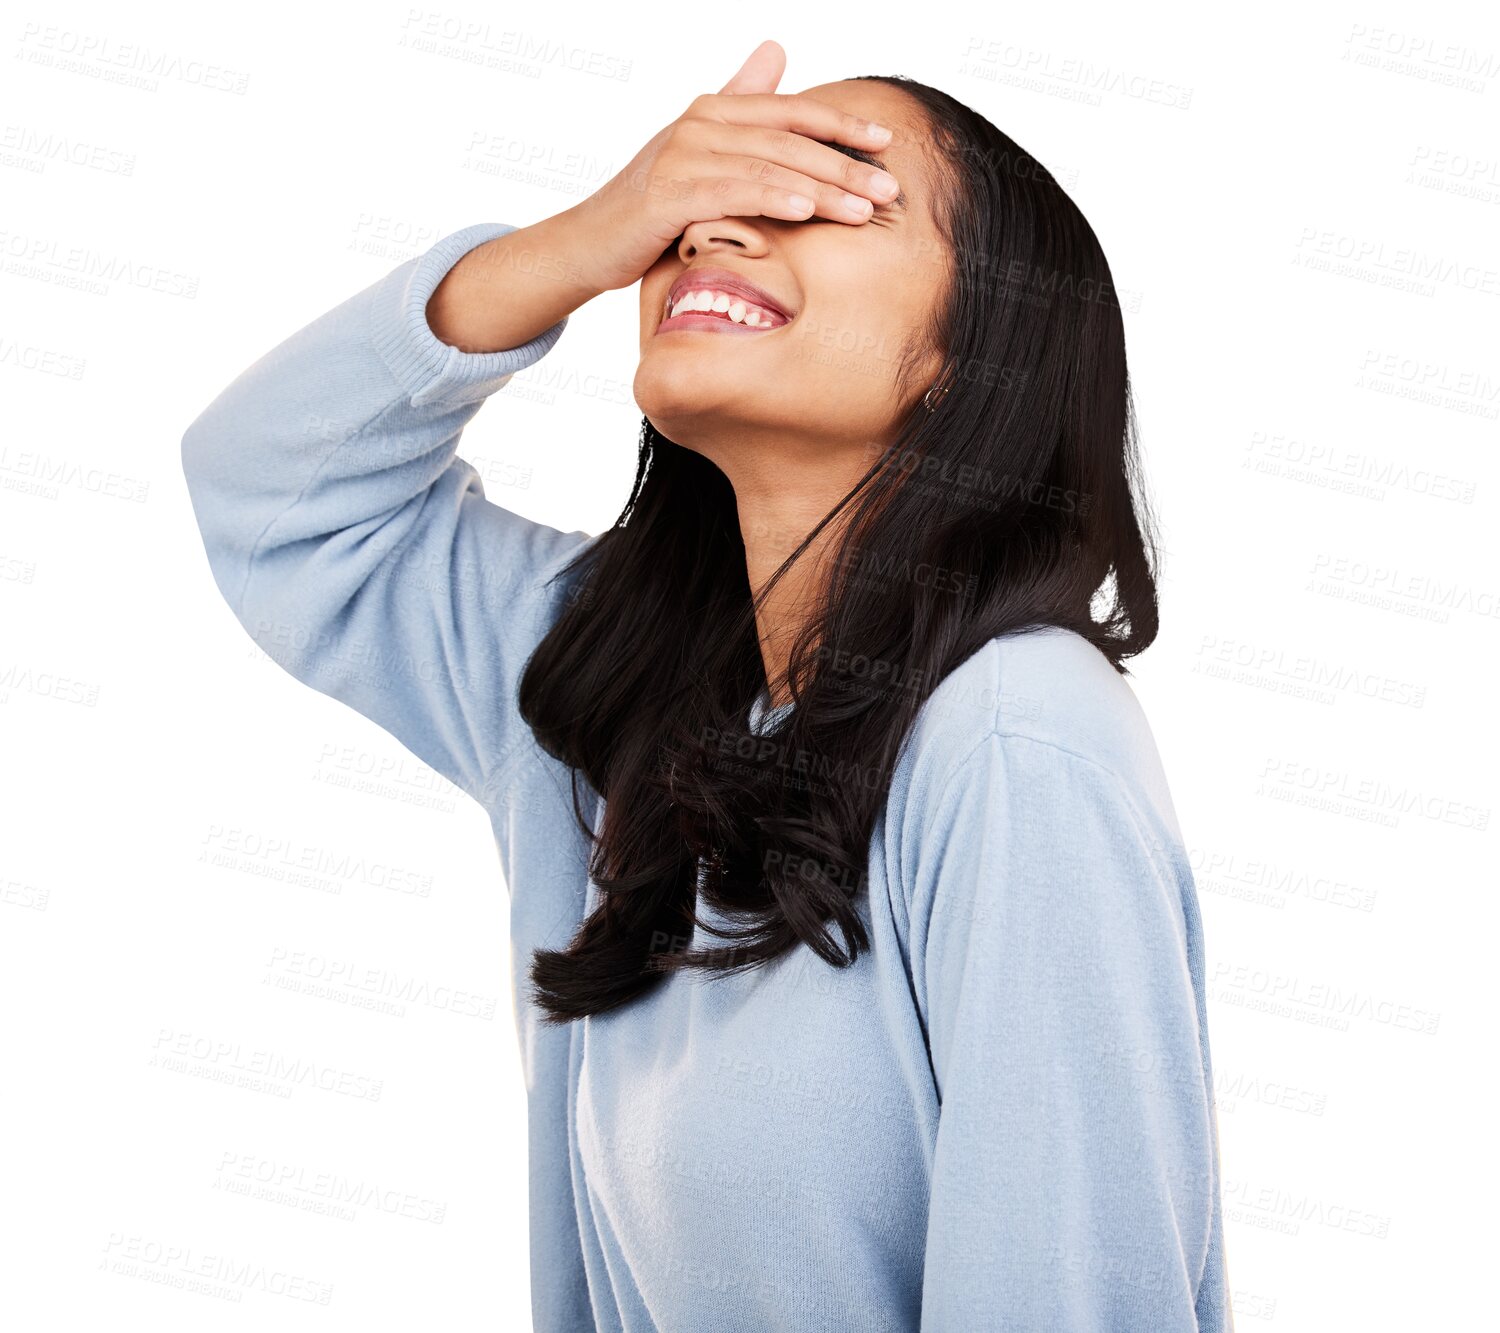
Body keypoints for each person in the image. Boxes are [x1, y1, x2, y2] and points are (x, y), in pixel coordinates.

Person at [181, 38, 1231, 1332]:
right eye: (705, 194)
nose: (714, 227)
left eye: (818, 192)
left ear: (976, 349)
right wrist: (587, 235)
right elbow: (268, 489)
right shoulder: (603, 690)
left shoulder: (1016, 737)